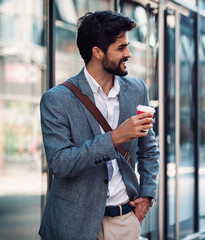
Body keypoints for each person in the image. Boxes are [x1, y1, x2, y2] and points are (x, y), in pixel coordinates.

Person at [39, 10, 159, 240]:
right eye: (121, 48)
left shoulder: (136, 90)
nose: (129, 54)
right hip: (72, 225)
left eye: (128, 45)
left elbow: (149, 150)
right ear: (97, 52)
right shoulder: (57, 99)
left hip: (124, 221)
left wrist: (148, 196)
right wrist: (114, 138)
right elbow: (59, 163)